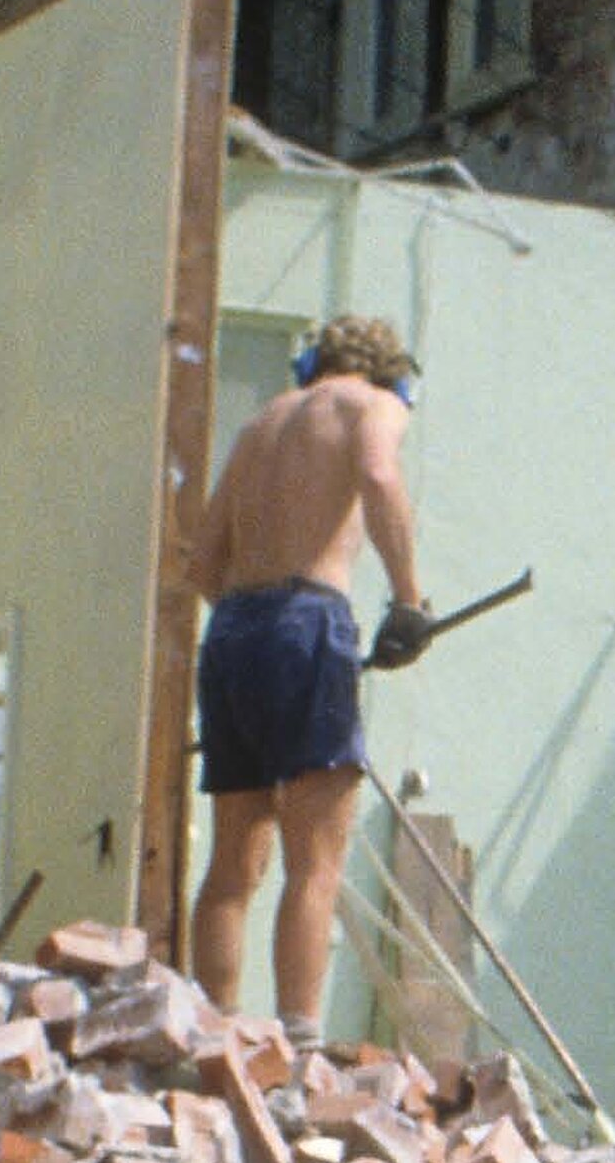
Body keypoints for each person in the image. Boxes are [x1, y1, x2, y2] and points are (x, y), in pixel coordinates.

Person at [185, 314, 432, 1028]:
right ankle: (296, 1050)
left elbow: (203, 564)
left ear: (310, 364)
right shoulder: (371, 404)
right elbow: (380, 475)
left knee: (234, 859)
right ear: (391, 373)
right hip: (307, 617)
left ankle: (216, 1033)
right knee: (314, 860)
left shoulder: (260, 424)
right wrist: (408, 603)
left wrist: (256, 632)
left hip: (231, 629)